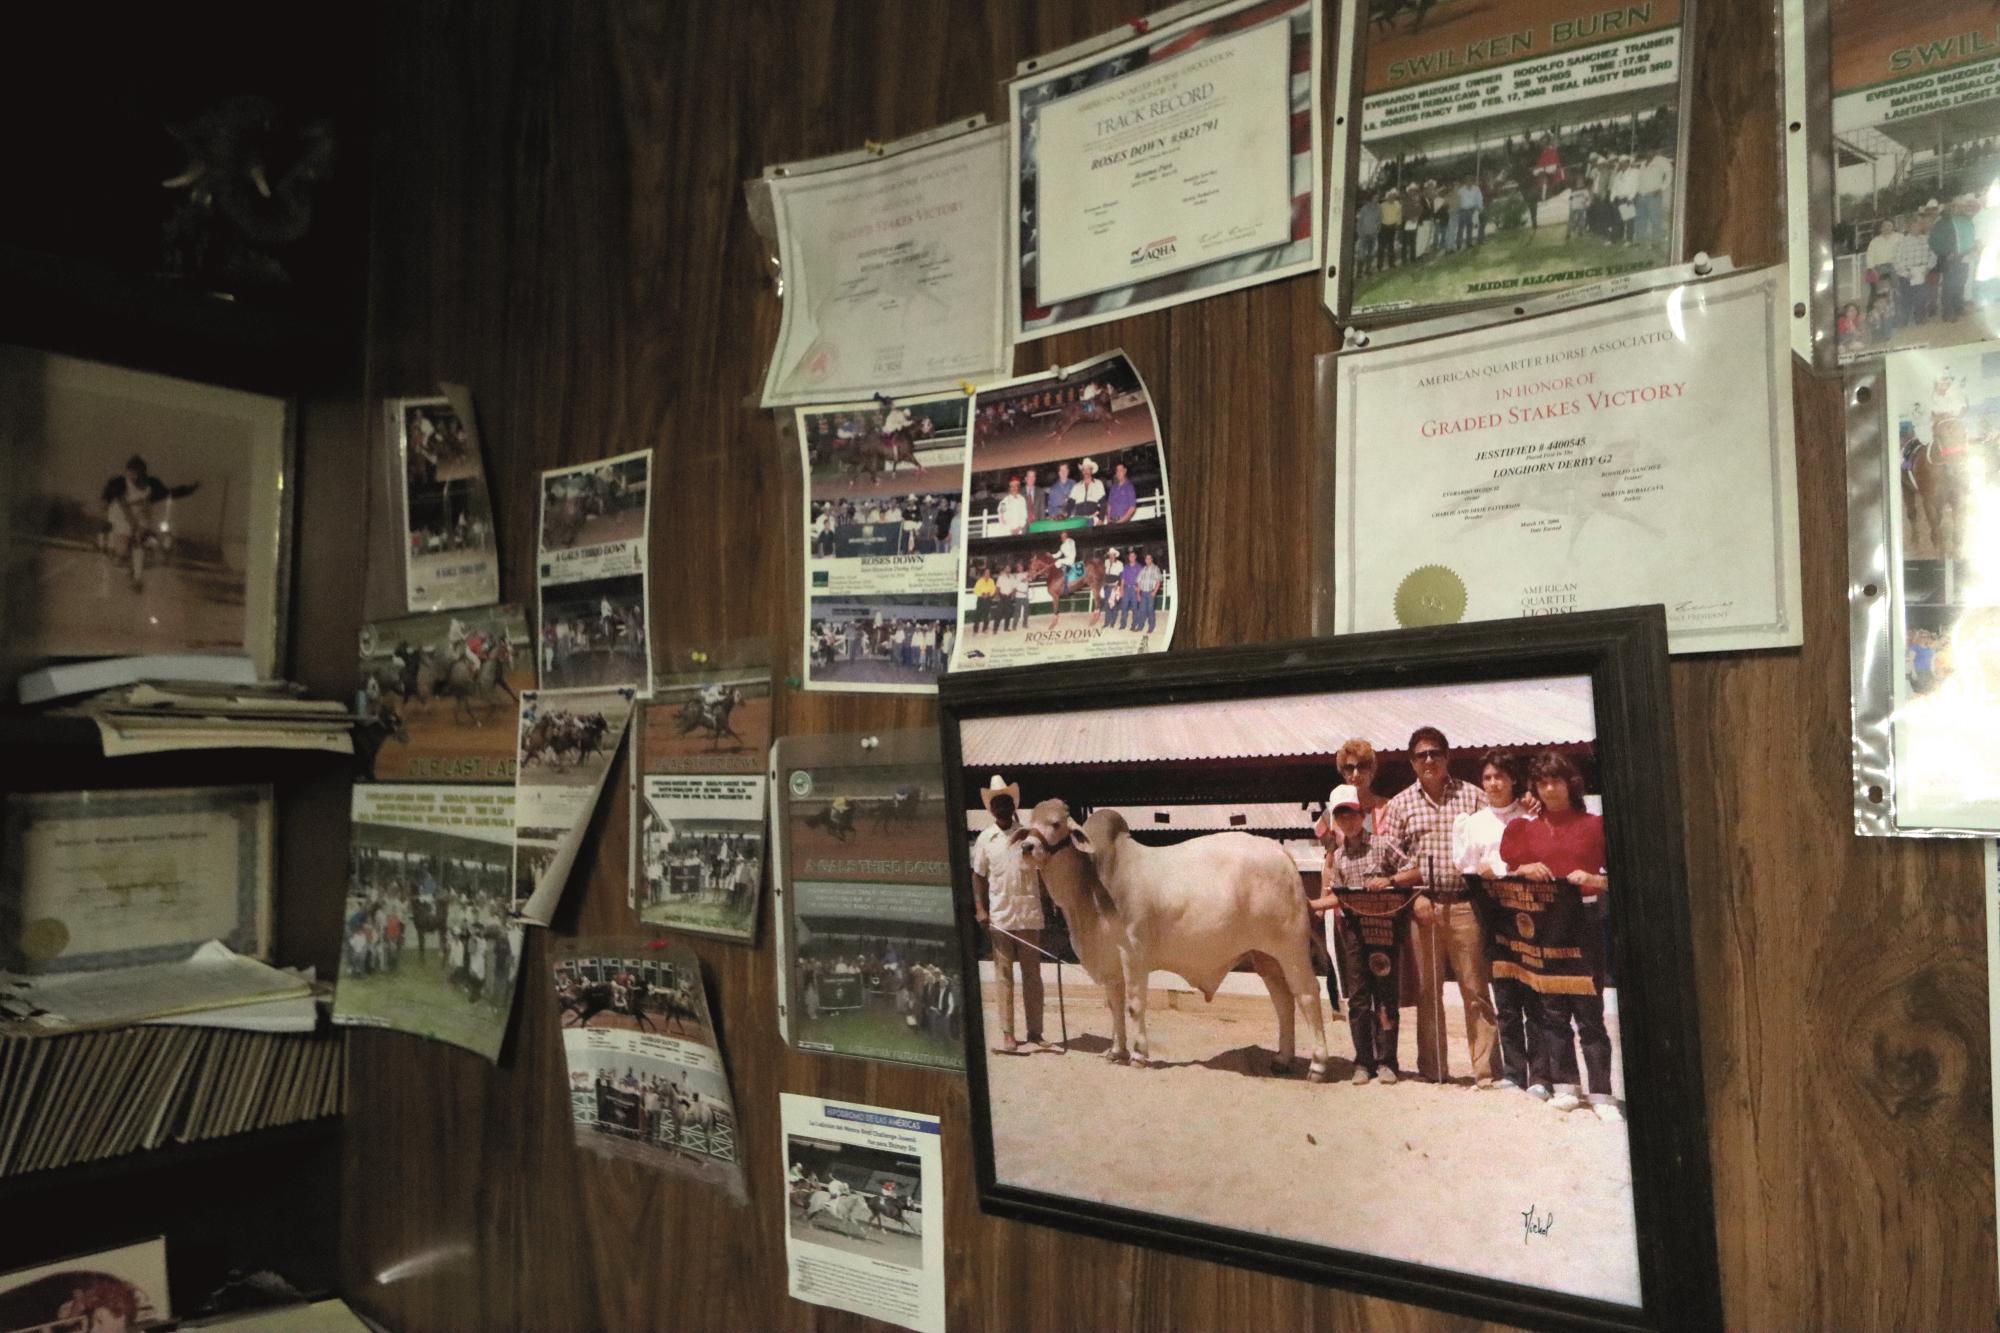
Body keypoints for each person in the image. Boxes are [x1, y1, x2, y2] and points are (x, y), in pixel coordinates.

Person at [1375, 726, 1500, 1087]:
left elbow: (1498, 831)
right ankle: (1434, 1069)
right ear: (1412, 762)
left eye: (1435, 753)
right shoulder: (1400, 805)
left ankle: (1486, 1070)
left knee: (1475, 988)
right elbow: (1390, 859)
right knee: (1428, 993)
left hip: (1465, 905)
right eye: (1420, 755)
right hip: (1423, 907)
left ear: (1447, 756)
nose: (1428, 760)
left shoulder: (1474, 797)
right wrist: (1416, 897)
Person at [1500, 750, 1619, 1121]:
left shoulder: (1596, 825)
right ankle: (1567, 1085)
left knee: (1590, 1015)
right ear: (1535, 786)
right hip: (1545, 926)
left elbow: (1620, 876)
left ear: (1571, 783)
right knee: (1552, 1013)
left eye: (1556, 780)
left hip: (1584, 922)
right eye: (1542, 782)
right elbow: (1509, 869)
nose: (1550, 789)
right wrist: (1523, 868)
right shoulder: (1525, 830)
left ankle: (1601, 1092)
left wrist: (1595, 880)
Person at [1307, 784, 1409, 1084]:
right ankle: (1363, 1061)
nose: (1347, 820)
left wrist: (1388, 881)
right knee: (1359, 998)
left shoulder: (1382, 845)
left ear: (1361, 814)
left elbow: (1413, 871)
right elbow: (1339, 897)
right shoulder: (1337, 858)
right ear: (1335, 820)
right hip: (1352, 932)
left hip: (1383, 930)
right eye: (1341, 816)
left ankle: (1387, 1062)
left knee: (1386, 997)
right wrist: (1309, 905)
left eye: (1351, 813)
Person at [1452, 751, 1537, 1092]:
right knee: (1504, 997)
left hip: (1528, 915)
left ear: (1513, 779)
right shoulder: (1473, 822)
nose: (1493, 784)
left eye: (1499, 776)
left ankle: (1542, 1076)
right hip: (1492, 917)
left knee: (1534, 994)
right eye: (1487, 778)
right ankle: (1515, 1074)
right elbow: (1466, 866)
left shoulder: (1531, 817)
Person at [969, 776, 1045, 1053]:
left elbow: (1044, 867)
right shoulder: (985, 839)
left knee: (1032, 975)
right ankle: (1008, 1034)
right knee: (1003, 976)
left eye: (1007, 801)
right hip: (1000, 916)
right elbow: (978, 876)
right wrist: (980, 908)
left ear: (1013, 805)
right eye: (997, 803)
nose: (1002, 807)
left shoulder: (1028, 836)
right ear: (991, 809)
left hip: (1027, 914)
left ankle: (1035, 1032)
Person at [101, 454, 201, 588]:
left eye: (138, 473)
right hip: (121, 515)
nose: (134, 477)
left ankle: (137, 579)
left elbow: (169, 493)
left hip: (142, 517)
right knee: (121, 553)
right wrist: (105, 518)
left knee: (139, 538)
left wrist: (189, 489)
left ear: (144, 473)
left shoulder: (151, 485)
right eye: (131, 473)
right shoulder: (119, 483)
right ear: (127, 471)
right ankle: (124, 563)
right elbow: (109, 501)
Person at [1897, 208, 1939, 327]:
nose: (1916, 228)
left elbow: (1933, 255)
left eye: (1918, 225)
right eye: (1913, 226)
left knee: (1922, 297)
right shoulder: (1902, 242)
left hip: (1922, 272)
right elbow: (1897, 260)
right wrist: (1905, 273)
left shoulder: (1926, 240)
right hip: (1908, 273)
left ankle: (1920, 318)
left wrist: (1928, 268)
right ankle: (1904, 320)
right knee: (1906, 298)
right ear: (1909, 228)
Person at [1635, 146, 1672, 248]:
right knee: (1641, 219)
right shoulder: (1643, 163)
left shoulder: (1661, 161)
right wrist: (1637, 192)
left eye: (1650, 150)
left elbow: (1669, 175)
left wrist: (1662, 188)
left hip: (1653, 195)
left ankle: (1656, 243)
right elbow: (1640, 179)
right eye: (1646, 150)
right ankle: (1639, 241)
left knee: (1655, 219)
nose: (1648, 152)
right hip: (1641, 195)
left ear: (1654, 151)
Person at [1135, 551, 1163, 633]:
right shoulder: (1143, 569)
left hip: (1151, 593)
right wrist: (1138, 594)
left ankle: (1151, 627)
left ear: (1152, 559)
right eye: (1146, 559)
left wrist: (1154, 592)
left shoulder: (1156, 568)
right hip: (1143, 593)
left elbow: (1158, 581)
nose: (1147, 560)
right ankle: (1140, 626)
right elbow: (1139, 581)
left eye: (1149, 558)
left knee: (1150, 610)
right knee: (1142, 610)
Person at [1070, 458, 1106, 522]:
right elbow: (1070, 504)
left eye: (1088, 469)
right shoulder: (1076, 486)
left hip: (1094, 520)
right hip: (1079, 521)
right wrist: (1064, 514)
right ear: (1082, 471)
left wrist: (1101, 520)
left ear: (1091, 470)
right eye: (1084, 469)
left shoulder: (1098, 484)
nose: (1086, 471)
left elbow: (1103, 504)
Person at [1355, 191, 1381, 274]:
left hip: (1373, 235)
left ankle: (1368, 269)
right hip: (1364, 234)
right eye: (1375, 197)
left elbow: (1379, 221)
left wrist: (1377, 230)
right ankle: (1359, 271)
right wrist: (1359, 232)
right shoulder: (1364, 208)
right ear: (1371, 198)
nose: (1376, 199)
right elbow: (1359, 221)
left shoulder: (1378, 209)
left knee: (1371, 253)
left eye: (1377, 198)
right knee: (1361, 253)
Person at [1378, 186, 1403, 267]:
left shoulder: (1398, 204)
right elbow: (1379, 216)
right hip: (1383, 227)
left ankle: (1391, 264)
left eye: (1394, 196)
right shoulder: (1382, 205)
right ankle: (1379, 265)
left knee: (1391, 246)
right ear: (1387, 196)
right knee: (1381, 247)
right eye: (1391, 195)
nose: (1392, 197)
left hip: (1392, 227)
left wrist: (1398, 224)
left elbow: (1399, 215)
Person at [973, 565, 999, 635]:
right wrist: (982, 594)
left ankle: (985, 629)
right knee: (978, 615)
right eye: (986, 572)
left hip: (988, 599)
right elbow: (975, 590)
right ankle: (975, 630)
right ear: (984, 573)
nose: (987, 574)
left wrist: (989, 594)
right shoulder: (980, 581)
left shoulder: (991, 581)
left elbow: (993, 590)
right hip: (981, 599)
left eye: (989, 572)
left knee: (986, 615)